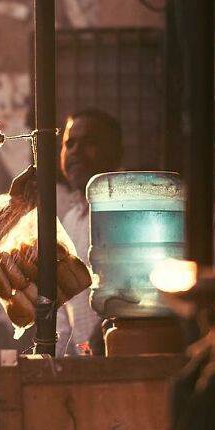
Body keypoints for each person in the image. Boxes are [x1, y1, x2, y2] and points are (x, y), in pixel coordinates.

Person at [56, 109, 123, 355]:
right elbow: (62, 312)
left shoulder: (126, 209)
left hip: (122, 357)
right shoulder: (71, 219)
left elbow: (132, 291)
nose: (75, 152)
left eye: (90, 143)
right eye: (69, 144)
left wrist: (106, 332)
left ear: (116, 152)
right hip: (86, 366)